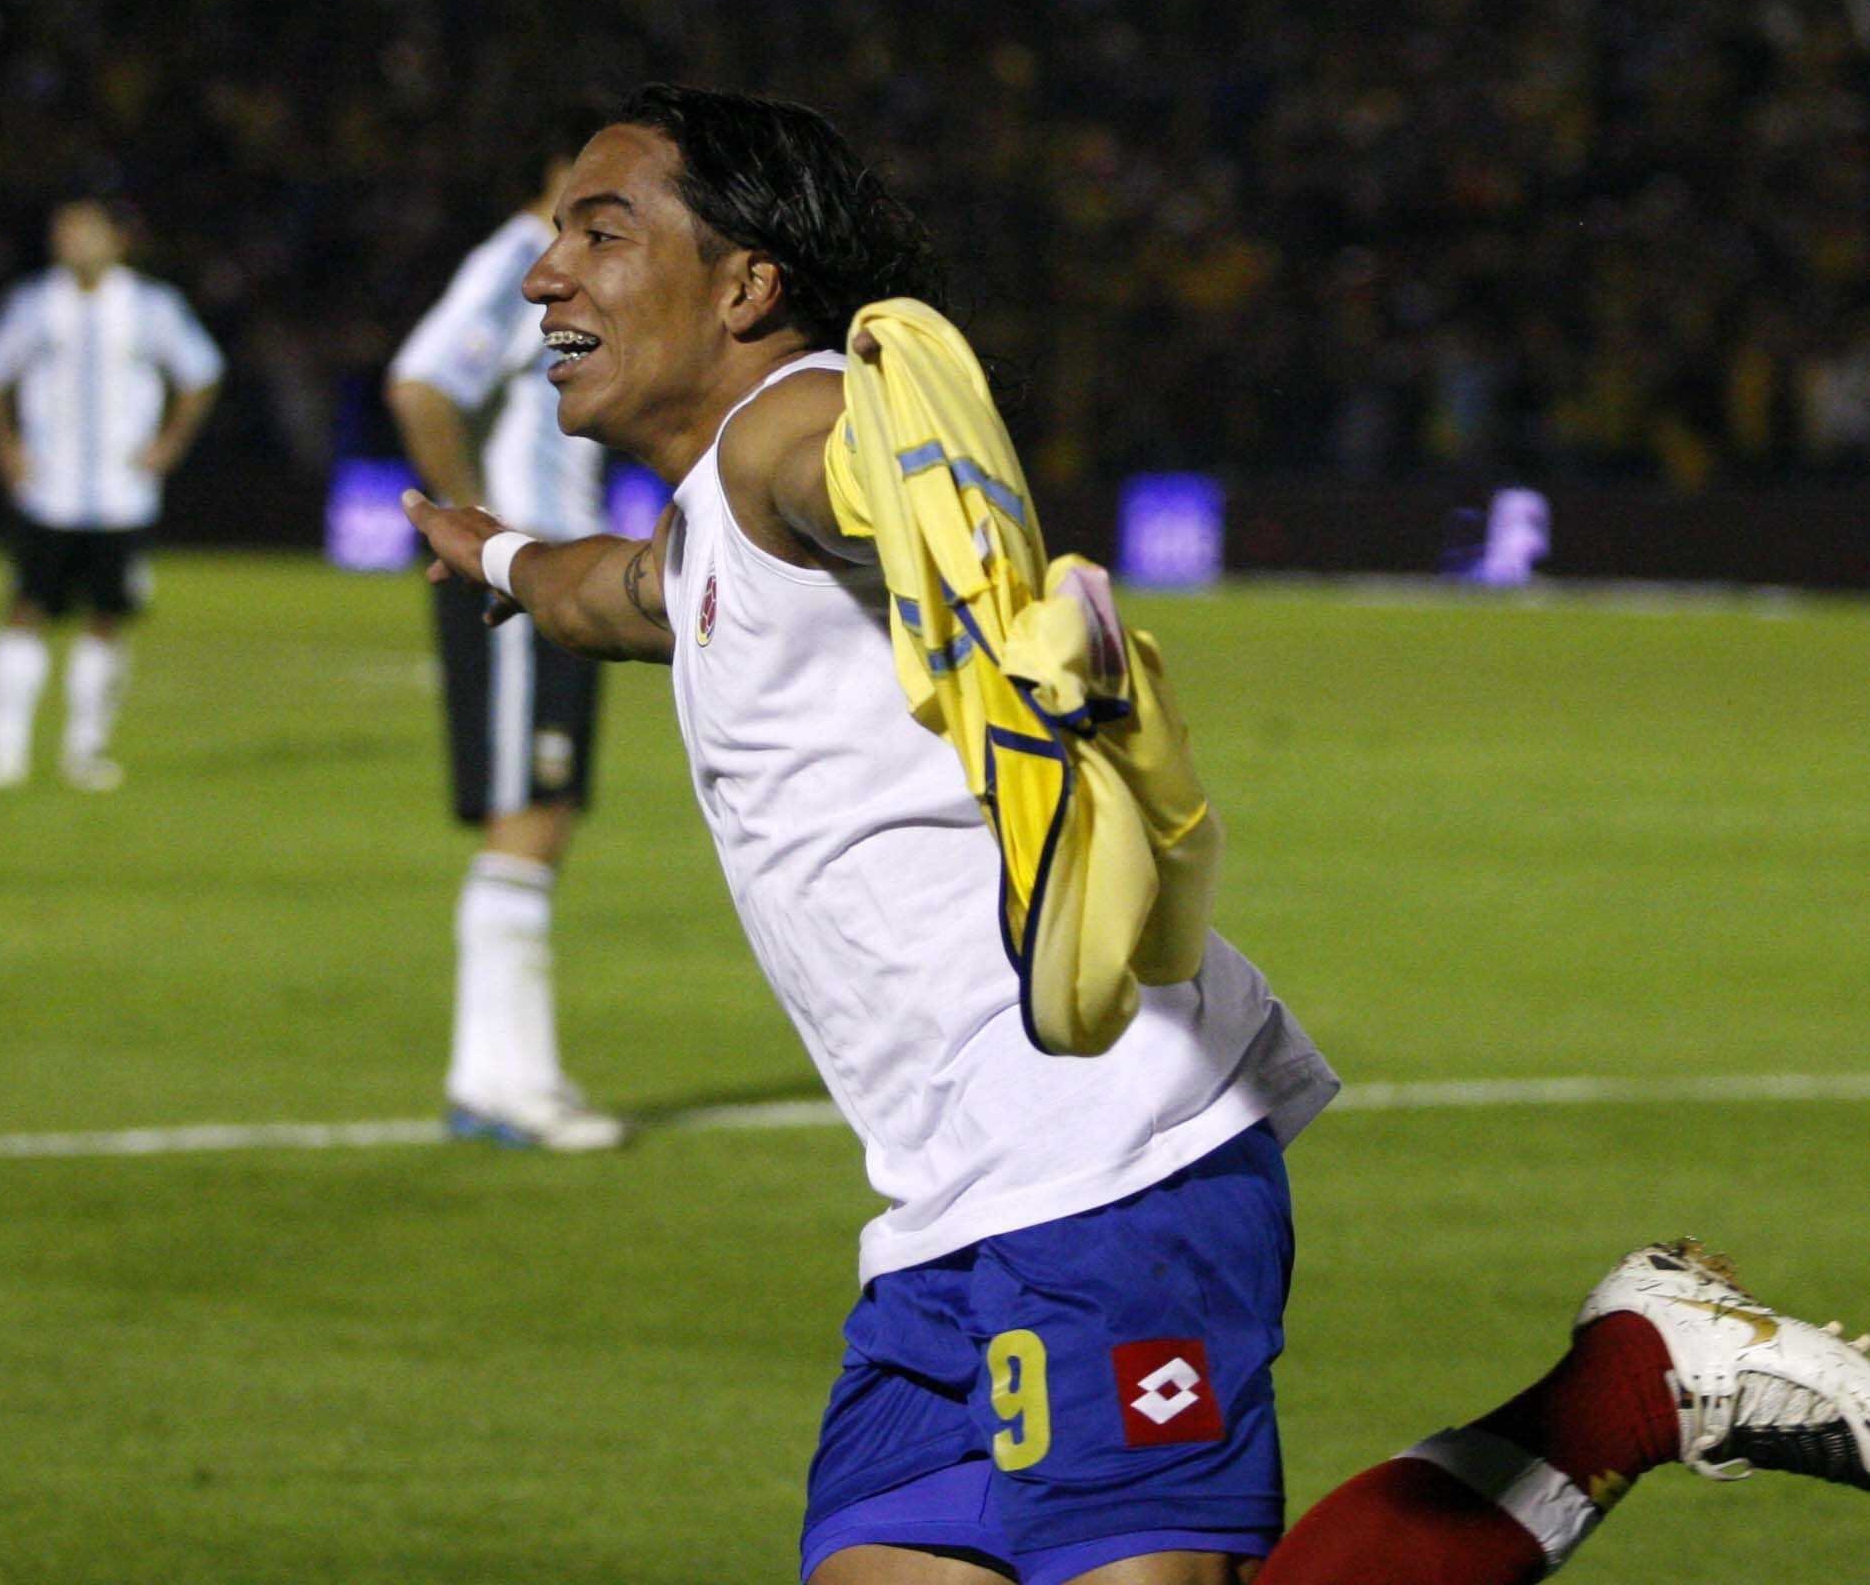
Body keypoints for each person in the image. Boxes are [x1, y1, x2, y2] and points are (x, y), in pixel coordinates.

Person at [403, 85, 1870, 1585]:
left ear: (745, 285)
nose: (547, 274)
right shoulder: (712, 521)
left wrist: (918, 506)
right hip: (943, 1203)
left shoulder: (798, 425)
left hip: (1101, 1153)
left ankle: (1630, 1388)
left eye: (602, 233)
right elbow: (612, 595)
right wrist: (496, 553)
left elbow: (859, 465)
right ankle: (1630, 1374)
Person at [385, 107, 625, 1152]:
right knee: (529, 815)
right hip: (519, 577)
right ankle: (508, 1086)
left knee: (543, 811)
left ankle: (497, 1076)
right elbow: (421, 382)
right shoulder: (522, 262)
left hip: (547, 574)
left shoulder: (568, 274)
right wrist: (479, 523)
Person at [0, 197, 222, 793]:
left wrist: (169, 445)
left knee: (106, 618)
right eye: (64, 232)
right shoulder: (33, 303)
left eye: (85, 232)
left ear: (116, 241)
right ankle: (1, 753)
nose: (73, 242)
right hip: (47, 490)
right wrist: (6, 448)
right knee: (24, 610)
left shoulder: (150, 306)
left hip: (122, 493)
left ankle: (86, 751)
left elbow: (202, 371)